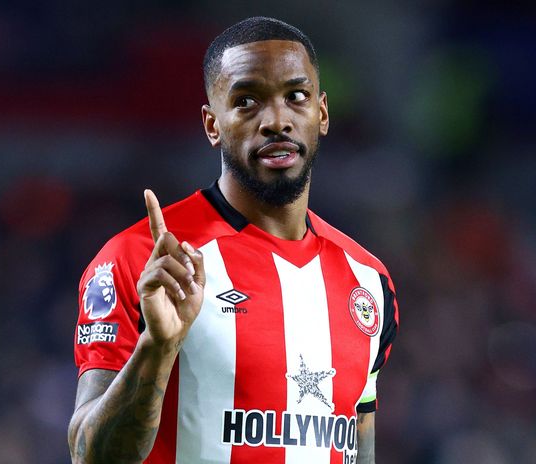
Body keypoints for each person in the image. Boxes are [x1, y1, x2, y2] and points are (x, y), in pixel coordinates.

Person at [68, 16, 399, 464]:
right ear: (212, 124)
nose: (276, 120)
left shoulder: (369, 281)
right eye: (246, 102)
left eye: (295, 97)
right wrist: (157, 348)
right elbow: (90, 455)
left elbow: (360, 448)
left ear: (321, 114)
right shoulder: (142, 260)